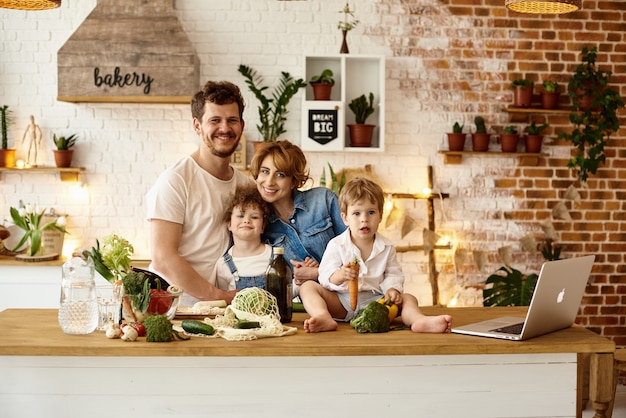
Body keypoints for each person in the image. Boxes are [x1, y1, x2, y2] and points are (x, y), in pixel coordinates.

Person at [146, 80, 253, 306]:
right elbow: (163, 257)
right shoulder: (176, 180)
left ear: (241, 125)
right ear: (197, 126)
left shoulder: (246, 185)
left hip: (220, 309)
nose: (225, 128)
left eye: (232, 120)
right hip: (176, 308)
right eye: (215, 120)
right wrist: (219, 296)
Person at [300, 177, 453, 334]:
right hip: (342, 302)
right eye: (357, 213)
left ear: (380, 215)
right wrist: (339, 275)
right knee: (308, 287)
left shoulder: (387, 247)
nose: (364, 219)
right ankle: (323, 316)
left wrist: (392, 290)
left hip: (377, 302)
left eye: (371, 212)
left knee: (408, 298)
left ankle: (418, 321)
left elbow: (393, 273)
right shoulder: (336, 244)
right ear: (345, 218)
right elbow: (324, 275)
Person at [249, 140, 347, 291]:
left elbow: (358, 249)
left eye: (280, 175)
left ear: (294, 181)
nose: (269, 182)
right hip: (301, 305)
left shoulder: (323, 201)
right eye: (265, 171)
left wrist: (318, 272)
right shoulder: (259, 223)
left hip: (347, 294)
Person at [215, 184, 273, 291]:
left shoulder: (274, 257)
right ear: (229, 224)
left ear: (263, 227)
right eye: (240, 216)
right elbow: (224, 301)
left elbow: (288, 290)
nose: (246, 220)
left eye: (254, 217)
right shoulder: (223, 265)